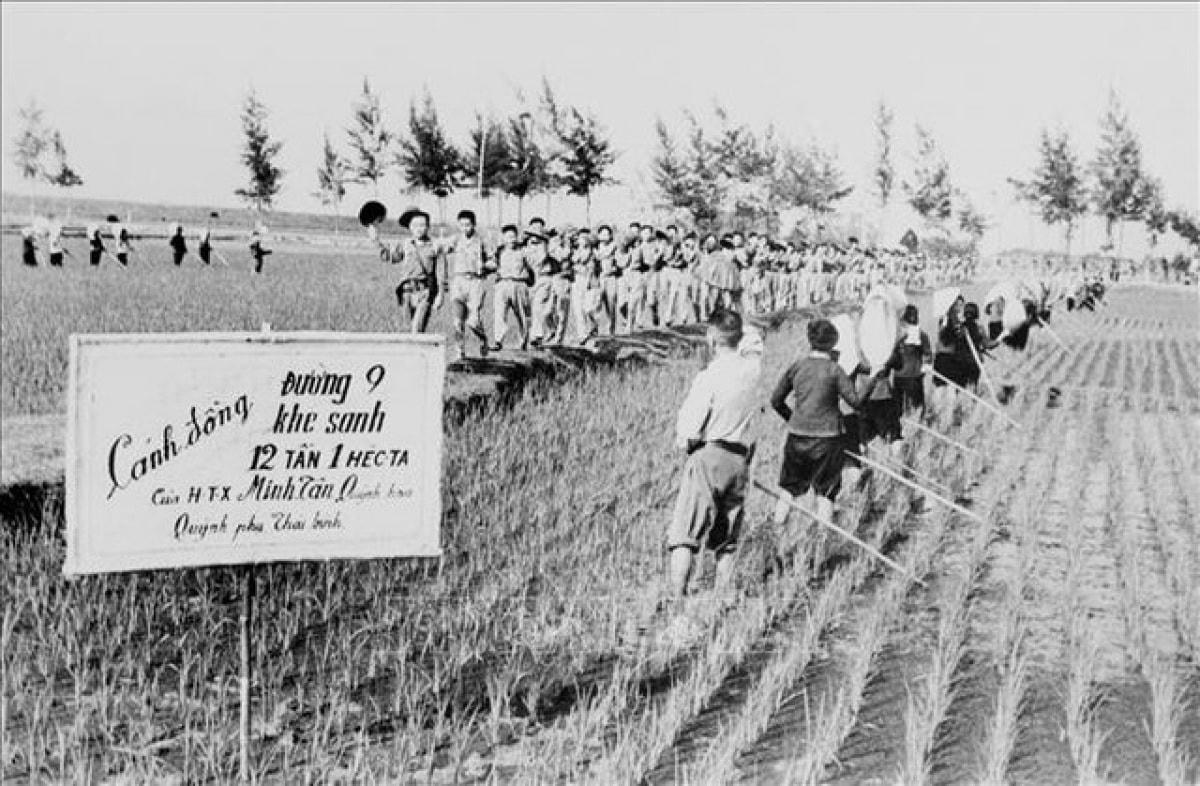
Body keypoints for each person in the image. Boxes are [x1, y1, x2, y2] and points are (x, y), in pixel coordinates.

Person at [666, 310, 762, 601]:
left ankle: (677, 600)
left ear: (711, 337)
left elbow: (690, 430)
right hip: (739, 459)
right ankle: (722, 597)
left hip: (710, 456)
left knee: (685, 534)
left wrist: (686, 444)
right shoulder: (752, 372)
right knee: (727, 538)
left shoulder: (709, 376)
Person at [770, 318, 884, 530]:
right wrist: (873, 379)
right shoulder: (835, 370)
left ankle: (776, 533)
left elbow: (776, 401)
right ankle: (821, 543)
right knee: (826, 493)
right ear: (834, 343)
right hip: (828, 440)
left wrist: (793, 418)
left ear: (810, 340)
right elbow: (856, 402)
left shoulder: (797, 367)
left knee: (788, 490)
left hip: (797, 437)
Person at [445, 209, 493, 359]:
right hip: (458, 281)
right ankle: (460, 353)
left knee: (473, 321)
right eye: (462, 225)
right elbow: (441, 251)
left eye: (468, 225)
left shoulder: (482, 241)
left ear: (474, 225)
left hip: (475, 282)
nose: (465, 228)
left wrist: (485, 267)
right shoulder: (455, 240)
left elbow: (493, 261)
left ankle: (483, 339)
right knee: (458, 321)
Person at [388, 209, 446, 333]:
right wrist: (376, 241)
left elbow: (441, 273)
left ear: (428, 227)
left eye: (422, 225)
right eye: (415, 225)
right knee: (405, 329)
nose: (419, 228)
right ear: (409, 227)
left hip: (425, 291)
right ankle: (412, 352)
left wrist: (440, 295)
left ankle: (417, 349)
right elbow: (391, 258)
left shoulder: (436, 246)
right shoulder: (405, 244)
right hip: (406, 291)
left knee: (417, 329)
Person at [491, 224, 534, 351]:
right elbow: (491, 264)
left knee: (522, 314)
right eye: (508, 237)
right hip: (502, 284)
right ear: (503, 238)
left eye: (513, 236)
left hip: (519, 284)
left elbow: (532, 268)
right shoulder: (499, 251)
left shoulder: (523, 252)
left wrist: (530, 282)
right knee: (499, 313)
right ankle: (498, 341)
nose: (511, 240)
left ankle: (523, 341)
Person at [889, 304, 932, 417]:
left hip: (906, 375)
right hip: (910, 375)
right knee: (914, 406)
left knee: (906, 406)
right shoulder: (902, 336)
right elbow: (927, 353)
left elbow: (927, 354)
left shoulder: (901, 335)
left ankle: (908, 425)